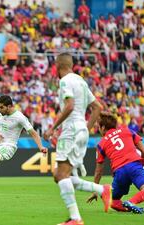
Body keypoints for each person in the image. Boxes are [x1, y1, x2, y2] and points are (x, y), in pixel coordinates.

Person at [43, 53, 110, 225]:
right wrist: (85, 129)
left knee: (60, 174)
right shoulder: (81, 81)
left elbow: (70, 105)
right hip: (79, 130)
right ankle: (102, 190)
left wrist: (53, 128)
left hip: (71, 130)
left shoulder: (65, 81)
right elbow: (97, 107)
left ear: (58, 65)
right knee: (62, 175)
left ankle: (75, 219)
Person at [87, 112, 144, 214]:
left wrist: (95, 190)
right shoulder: (128, 131)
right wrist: (142, 163)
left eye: (99, 127)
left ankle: (128, 205)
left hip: (119, 172)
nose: (99, 130)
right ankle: (131, 202)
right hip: (134, 166)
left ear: (103, 127)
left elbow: (98, 171)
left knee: (112, 201)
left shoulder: (101, 144)